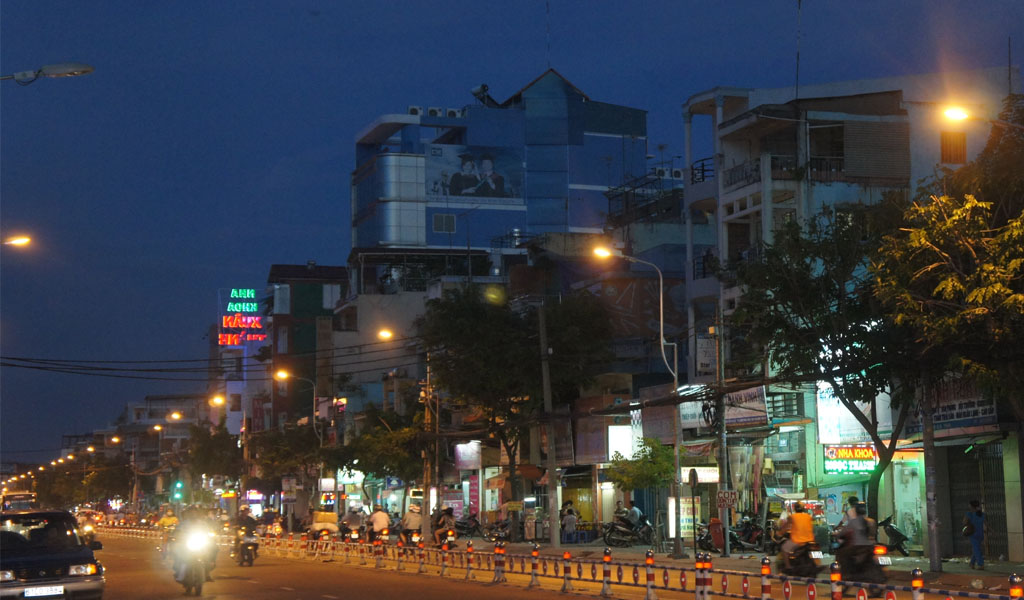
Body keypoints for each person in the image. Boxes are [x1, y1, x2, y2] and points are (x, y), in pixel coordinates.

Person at [780, 502, 815, 571]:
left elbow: (785, 528)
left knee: (784, 549)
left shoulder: (792, 517)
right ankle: (817, 563)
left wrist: (779, 533)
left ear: (795, 508)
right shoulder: (808, 516)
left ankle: (788, 566)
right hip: (810, 541)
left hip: (797, 541)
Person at [964, 500, 986, 570]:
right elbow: (985, 523)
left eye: (969, 505)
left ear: (972, 506)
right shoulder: (982, 514)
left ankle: (980, 564)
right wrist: (992, 531)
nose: (968, 506)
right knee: (976, 549)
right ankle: (972, 563)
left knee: (976, 549)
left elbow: (964, 522)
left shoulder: (969, 514)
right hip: (980, 534)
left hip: (973, 534)